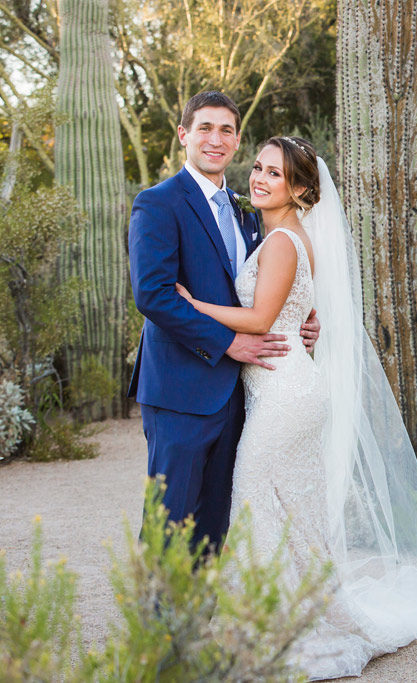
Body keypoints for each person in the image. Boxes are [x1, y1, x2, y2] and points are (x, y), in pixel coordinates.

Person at [175, 136, 417, 677]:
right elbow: (290, 313)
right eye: (258, 167)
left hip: (286, 394)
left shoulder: (283, 241)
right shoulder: (275, 235)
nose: (259, 178)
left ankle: (270, 628)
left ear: (302, 189)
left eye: (275, 174)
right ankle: (282, 614)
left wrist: (194, 305)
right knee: (290, 513)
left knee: (254, 498)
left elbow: (261, 320)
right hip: (283, 388)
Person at [128, 91, 319, 553]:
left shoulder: (249, 212)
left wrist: (303, 324)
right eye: (205, 128)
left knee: (216, 521)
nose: (216, 139)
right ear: (184, 135)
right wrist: (227, 342)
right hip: (181, 391)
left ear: (236, 141)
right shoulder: (158, 203)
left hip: (241, 392)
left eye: (227, 130)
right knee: (171, 518)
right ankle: (158, 627)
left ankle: (199, 619)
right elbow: (153, 296)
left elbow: (273, 288)